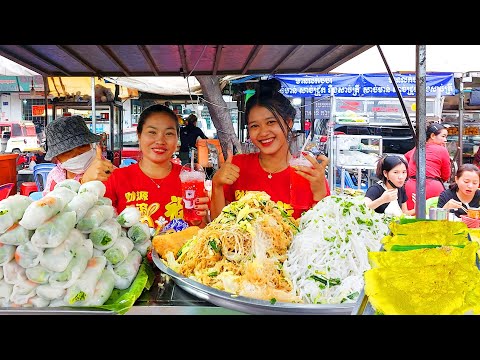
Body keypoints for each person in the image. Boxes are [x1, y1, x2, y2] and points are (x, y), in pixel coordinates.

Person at [210, 78, 329, 220]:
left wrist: (321, 193)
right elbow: (216, 228)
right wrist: (216, 185)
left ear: (289, 123)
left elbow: (325, 232)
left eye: (271, 122)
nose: (263, 132)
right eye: (255, 126)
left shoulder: (308, 172)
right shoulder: (237, 166)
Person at [103, 104, 210, 231]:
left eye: (169, 133)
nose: (160, 140)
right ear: (139, 135)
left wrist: (198, 222)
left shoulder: (190, 179)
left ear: (177, 139)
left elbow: (201, 231)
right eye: (152, 132)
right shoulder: (117, 178)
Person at [43, 115, 114, 194]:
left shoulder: (110, 172)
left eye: (83, 146)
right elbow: (49, 204)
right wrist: (84, 181)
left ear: (91, 145)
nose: (77, 153)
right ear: (57, 157)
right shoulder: (54, 175)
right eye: (68, 151)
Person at [404, 123, 451, 210]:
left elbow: (404, 159)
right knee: (434, 219)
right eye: (443, 136)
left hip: (411, 187)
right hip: (433, 187)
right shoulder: (442, 150)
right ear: (432, 136)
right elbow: (446, 175)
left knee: (411, 219)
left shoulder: (416, 149)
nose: (445, 140)